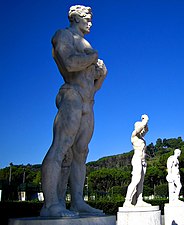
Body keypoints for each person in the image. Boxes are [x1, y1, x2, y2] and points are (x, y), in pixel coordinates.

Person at [40, 5, 107, 217]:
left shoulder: (86, 43)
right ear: (76, 17)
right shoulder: (64, 35)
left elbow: (93, 86)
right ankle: (51, 204)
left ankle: (77, 201)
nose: (90, 22)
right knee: (61, 147)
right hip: (72, 94)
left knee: (81, 153)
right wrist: (92, 57)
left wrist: (102, 74)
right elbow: (68, 64)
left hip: (89, 101)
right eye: (87, 17)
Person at [123, 114, 151, 207]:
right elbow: (140, 128)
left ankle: (139, 200)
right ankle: (127, 201)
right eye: (141, 128)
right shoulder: (134, 135)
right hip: (137, 159)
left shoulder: (142, 138)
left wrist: (146, 123)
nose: (143, 131)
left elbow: (146, 129)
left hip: (143, 161)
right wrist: (145, 119)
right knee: (136, 179)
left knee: (141, 181)